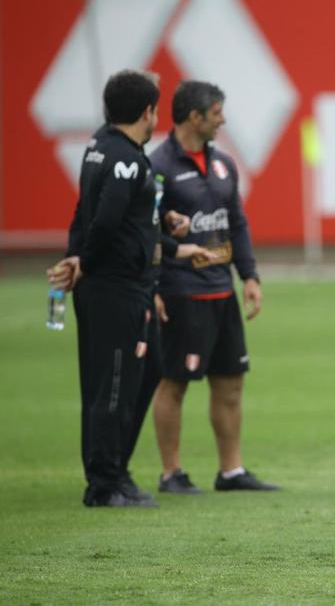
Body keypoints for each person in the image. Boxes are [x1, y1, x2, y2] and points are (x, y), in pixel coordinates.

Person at [47, 69, 214, 507]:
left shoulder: (100, 146)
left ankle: (115, 470)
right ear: (148, 111)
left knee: (147, 368)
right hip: (116, 289)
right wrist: (82, 259)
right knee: (113, 385)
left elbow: (95, 216)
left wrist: (171, 240)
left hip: (118, 285)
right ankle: (105, 483)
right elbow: (105, 220)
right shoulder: (126, 159)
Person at [148, 80, 277, 494]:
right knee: (175, 381)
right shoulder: (159, 166)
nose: (222, 119)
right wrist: (153, 283)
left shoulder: (224, 164)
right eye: (217, 112)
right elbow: (143, 231)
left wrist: (250, 276)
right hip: (181, 291)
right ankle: (171, 473)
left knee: (231, 382)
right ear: (194, 117)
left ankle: (231, 471)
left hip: (222, 291)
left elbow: (236, 222)